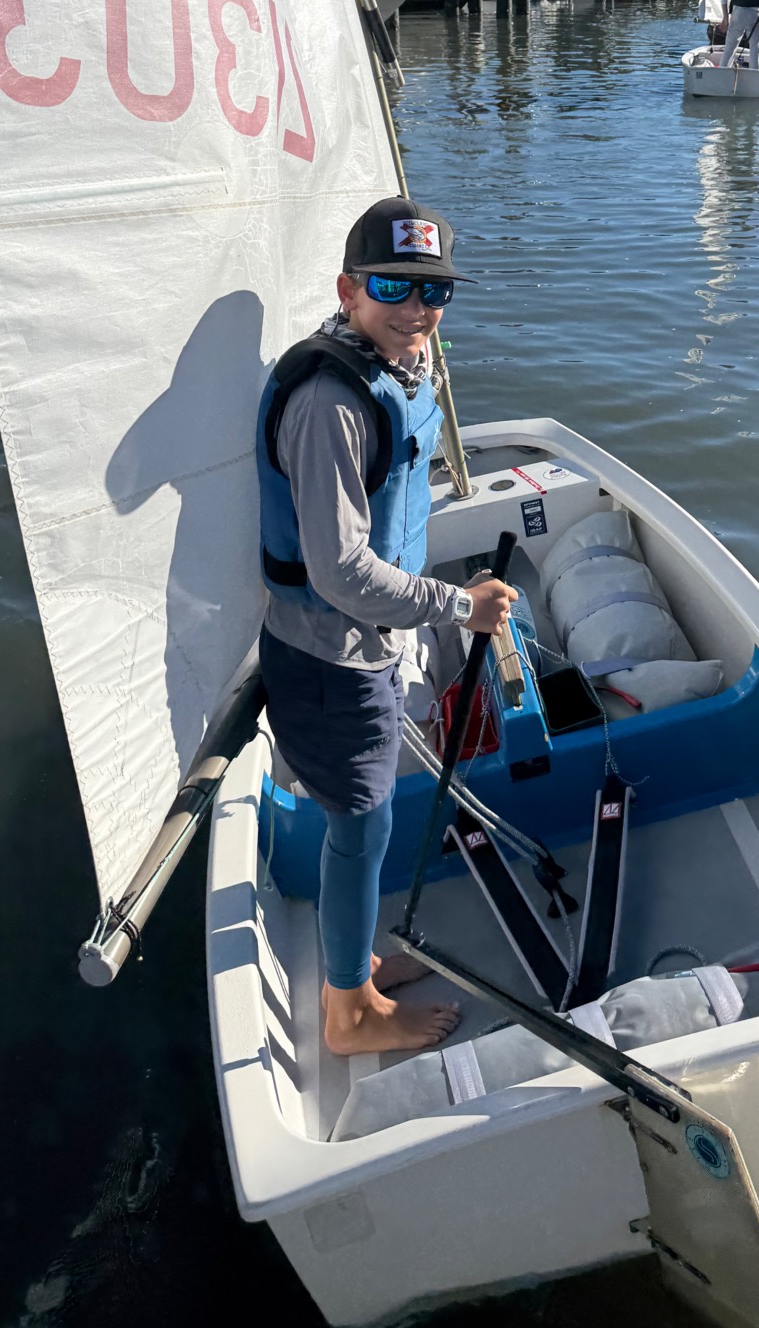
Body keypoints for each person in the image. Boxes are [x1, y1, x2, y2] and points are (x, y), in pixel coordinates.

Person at [256, 196, 518, 1057]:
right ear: (348, 290)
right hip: (329, 663)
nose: (417, 309)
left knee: (363, 827)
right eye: (393, 287)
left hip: (368, 646)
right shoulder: (329, 404)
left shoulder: (397, 364)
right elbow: (337, 572)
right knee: (360, 827)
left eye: (435, 291)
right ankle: (349, 1012)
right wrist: (458, 607)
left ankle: (354, 964)